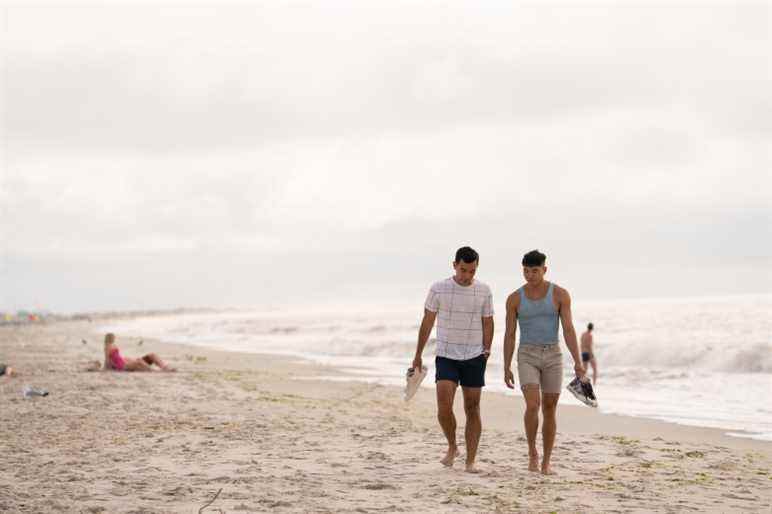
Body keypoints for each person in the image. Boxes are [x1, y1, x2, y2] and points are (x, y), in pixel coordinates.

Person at [412, 246, 494, 473]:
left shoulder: (484, 290)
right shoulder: (439, 289)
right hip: (446, 355)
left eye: (472, 271)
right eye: (463, 270)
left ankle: (471, 461)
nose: (467, 276)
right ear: (454, 265)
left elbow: (488, 321)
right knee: (444, 406)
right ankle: (452, 446)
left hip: (474, 356)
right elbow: (428, 321)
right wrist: (418, 354)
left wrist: (486, 350)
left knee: (473, 407)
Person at [503, 249, 585, 475]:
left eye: (535, 271)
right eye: (526, 271)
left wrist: (578, 362)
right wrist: (506, 365)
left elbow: (568, 329)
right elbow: (509, 334)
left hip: (553, 355)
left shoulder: (560, 294)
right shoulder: (514, 298)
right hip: (526, 354)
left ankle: (546, 461)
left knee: (549, 408)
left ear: (544, 270)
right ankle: (532, 452)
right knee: (532, 405)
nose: (530, 275)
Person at [103, 333, 176, 372]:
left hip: (125, 362)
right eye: (112, 337)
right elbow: (107, 360)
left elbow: (117, 357)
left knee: (152, 355)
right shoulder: (107, 347)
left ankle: (164, 367)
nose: (113, 338)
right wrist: (107, 368)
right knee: (139, 362)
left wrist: (127, 359)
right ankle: (156, 371)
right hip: (122, 366)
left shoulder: (113, 345)